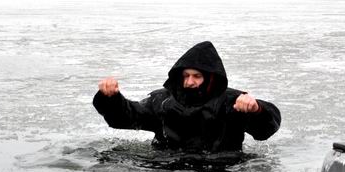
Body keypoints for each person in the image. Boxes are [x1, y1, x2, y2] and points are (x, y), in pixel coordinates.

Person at [93, 41, 281, 153]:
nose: (189, 82)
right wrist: (111, 99)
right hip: (170, 167)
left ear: (210, 78)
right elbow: (127, 117)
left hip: (221, 170)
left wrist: (257, 109)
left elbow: (265, 130)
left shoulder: (231, 101)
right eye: (185, 76)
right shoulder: (163, 100)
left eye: (197, 76)